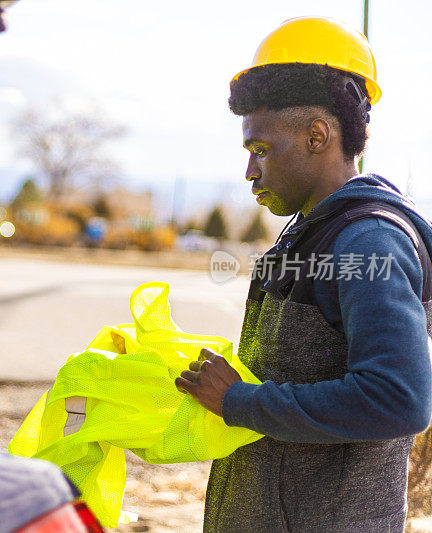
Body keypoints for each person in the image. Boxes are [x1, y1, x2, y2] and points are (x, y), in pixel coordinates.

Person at [174, 17, 432, 532]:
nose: (250, 171)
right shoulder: (309, 232)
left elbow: (399, 398)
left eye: (260, 150)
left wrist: (238, 400)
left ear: (318, 136)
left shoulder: (367, 240)